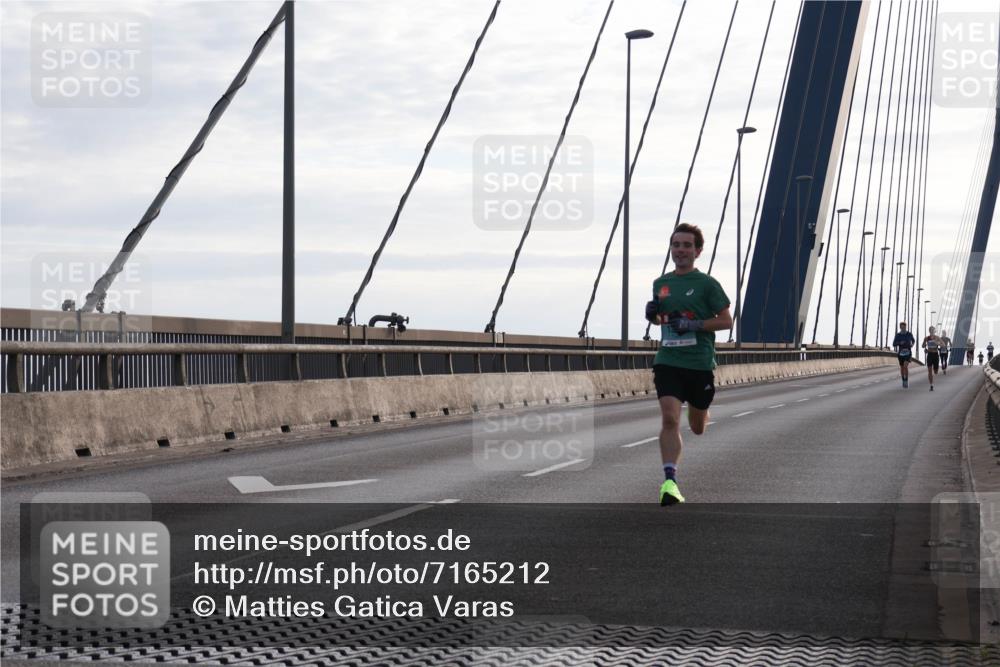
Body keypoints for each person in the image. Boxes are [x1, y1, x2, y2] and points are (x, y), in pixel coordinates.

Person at [645, 223, 732, 506]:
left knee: (696, 426)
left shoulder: (708, 284)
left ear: (697, 251)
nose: (680, 250)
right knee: (670, 418)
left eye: (686, 245)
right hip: (668, 360)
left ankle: (702, 412)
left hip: (699, 363)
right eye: (676, 245)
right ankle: (670, 482)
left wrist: (694, 324)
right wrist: (654, 317)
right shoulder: (661, 283)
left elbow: (726, 321)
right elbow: (663, 320)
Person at [892, 322, 915, 388]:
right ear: (900, 327)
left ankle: (906, 380)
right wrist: (899, 342)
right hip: (901, 353)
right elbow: (894, 344)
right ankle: (903, 380)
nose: (903, 328)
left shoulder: (909, 334)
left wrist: (912, 344)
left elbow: (913, 340)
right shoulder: (898, 335)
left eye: (904, 327)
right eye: (902, 327)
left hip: (908, 352)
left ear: (906, 327)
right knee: (902, 367)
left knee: (905, 366)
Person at [921, 326, 941, 391]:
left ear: (934, 331)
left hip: (935, 355)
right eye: (930, 330)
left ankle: (936, 369)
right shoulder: (927, 338)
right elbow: (923, 346)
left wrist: (938, 343)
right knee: (929, 371)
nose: (931, 331)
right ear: (929, 331)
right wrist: (925, 346)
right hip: (929, 355)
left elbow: (942, 344)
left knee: (935, 371)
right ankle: (931, 385)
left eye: (933, 330)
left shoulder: (937, 338)